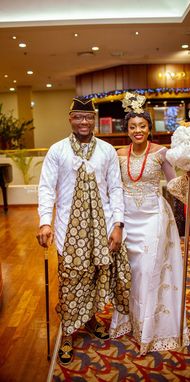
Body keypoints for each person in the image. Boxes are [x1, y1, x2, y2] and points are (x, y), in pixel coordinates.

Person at [37, 96, 131, 365]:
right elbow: (46, 188)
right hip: (68, 228)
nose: (83, 122)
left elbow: (115, 189)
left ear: (94, 120)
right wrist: (45, 221)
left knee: (94, 275)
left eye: (88, 117)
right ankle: (67, 332)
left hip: (101, 227)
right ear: (70, 119)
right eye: (78, 116)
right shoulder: (58, 151)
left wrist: (118, 225)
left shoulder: (107, 150)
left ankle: (89, 318)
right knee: (70, 279)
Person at [110, 92, 190, 355]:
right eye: (133, 126)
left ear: (149, 128)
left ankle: (152, 328)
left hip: (154, 217)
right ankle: (132, 321)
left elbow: (172, 182)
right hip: (128, 222)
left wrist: (189, 178)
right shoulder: (118, 154)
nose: (137, 131)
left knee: (148, 269)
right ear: (128, 129)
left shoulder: (161, 153)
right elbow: (113, 187)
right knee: (131, 273)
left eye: (142, 126)